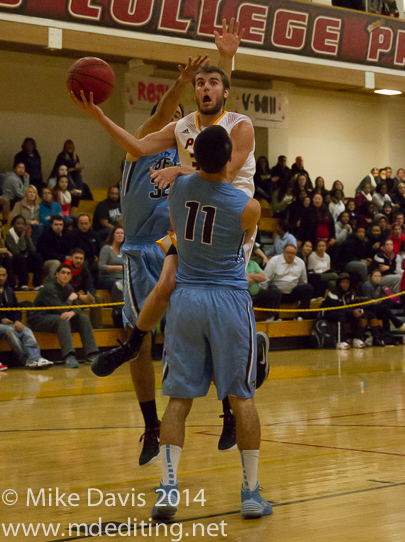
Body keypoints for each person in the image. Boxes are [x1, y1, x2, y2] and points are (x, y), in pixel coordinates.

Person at [95, 125, 271, 519]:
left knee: (178, 400)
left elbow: (194, 180)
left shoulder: (178, 192)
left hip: (186, 300)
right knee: (242, 398)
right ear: (230, 160)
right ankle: (250, 492)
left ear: (193, 160)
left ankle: (168, 490)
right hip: (228, 300)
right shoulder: (248, 207)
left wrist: (181, 171)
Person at [29, 263, 99, 368]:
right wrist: (71, 299)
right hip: (40, 319)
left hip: (57, 317)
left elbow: (77, 308)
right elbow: (61, 310)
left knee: (83, 318)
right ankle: (69, 356)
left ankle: (91, 354)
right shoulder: (49, 288)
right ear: (57, 274)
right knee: (63, 319)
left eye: (68, 274)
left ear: (71, 276)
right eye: (63, 273)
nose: (65, 275)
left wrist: (73, 312)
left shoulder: (68, 287)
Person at [0, 266, 53, 368]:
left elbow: (16, 308)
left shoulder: (9, 290)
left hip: (10, 323)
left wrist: (17, 320)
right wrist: (1, 319)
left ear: (7, 276)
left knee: (26, 330)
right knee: (10, 331)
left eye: (3, 275)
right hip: (2, 324)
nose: (1, 278)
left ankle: (36, 357)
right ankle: (26, 359)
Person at [260, 244, 314, 318]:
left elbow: (303, 282)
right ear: (283, 252)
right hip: (277, 294)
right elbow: (265, 281)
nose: (290, 255)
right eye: (288, 252)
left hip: (292, 293)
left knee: (308, 287)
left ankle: (302, 316)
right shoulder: (274, 261)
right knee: (274, 290)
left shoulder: (300, 262)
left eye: (293, 253)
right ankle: (273, 317)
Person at [362, 268, 405, 338]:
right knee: (385, 308)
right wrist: (378, 301)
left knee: (385, 314)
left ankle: (387, 336)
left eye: (379, 276)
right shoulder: (367, 285)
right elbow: (368, 301)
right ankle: (398, 324)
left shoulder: (379, 286)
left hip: (377, 306)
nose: (377, 278)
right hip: (368, 308)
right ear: (371, 277)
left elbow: (381, 298)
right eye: (375, 276)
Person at [5, 216, 43, 289]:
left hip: (25, 263)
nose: (21, 226)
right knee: (20, 257)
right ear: (13, 225)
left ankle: (38, 284)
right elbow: (16, 251)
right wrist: (22, 237)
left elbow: (33, 250)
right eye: (18, 223)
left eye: (22, 224)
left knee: (37, 256)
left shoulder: (25, 235)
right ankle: (23, 284)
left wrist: (28, 237)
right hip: (14, 263)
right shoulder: (9, 236)